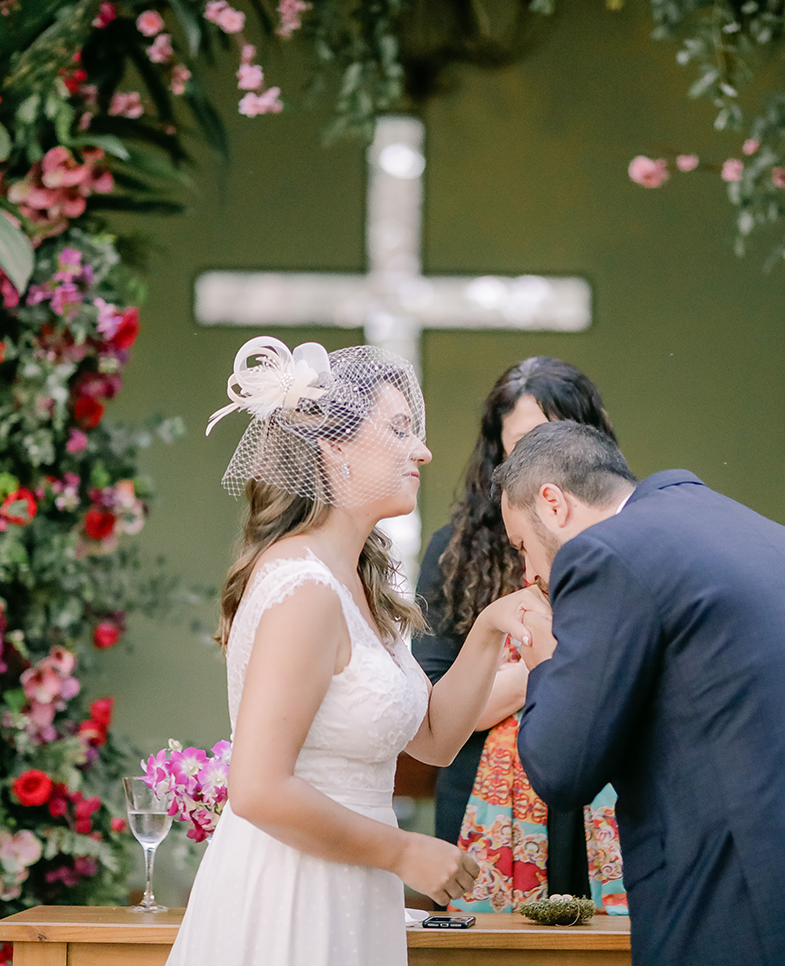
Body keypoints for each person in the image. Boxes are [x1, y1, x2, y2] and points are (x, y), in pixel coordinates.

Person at [495, 422, 785, 966]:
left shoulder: (606, 555)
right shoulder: (777, 537)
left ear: (553, 503)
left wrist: (546, 660)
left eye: (522, 546)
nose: (527, 573)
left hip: (750, 918)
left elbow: (561, 768)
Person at [166, 337, 528, 966]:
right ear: (334, 452)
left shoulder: (362, 583)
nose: (423, 449)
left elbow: (437, 737)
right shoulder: (303, 587)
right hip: (292, 893)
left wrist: (494, 626)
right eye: (399, 429)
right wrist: (405, 851)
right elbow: (257, 789)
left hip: (355, 891)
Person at [412, 357, 625, 912]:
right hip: (484, 789)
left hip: (603, 790)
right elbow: (435, 708)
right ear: (497, 450)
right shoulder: (454, 552)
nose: (543, 459)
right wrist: (561, 669)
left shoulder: (624, 538)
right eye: (527, 440)